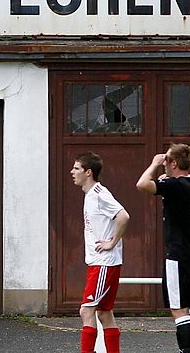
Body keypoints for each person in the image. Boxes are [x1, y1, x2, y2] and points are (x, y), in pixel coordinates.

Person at [136, 144, 190, 353]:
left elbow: (141, 184)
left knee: (178, 310)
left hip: (178, 253)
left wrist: (154, 164)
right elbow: (189, 175)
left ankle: (187, 350)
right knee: (187, 308)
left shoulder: (174, 186)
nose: (164, 164)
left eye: (167, 161)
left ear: (173, 163)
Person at [72, 151, 129, 353]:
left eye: (76, 168)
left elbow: (123, 216)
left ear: (88, 172)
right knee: (105, 313)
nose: (72, 172)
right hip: (100, 263)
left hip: (104, 263)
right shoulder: (90, 195)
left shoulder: (99, 194)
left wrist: (112, 242)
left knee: (86, 311)